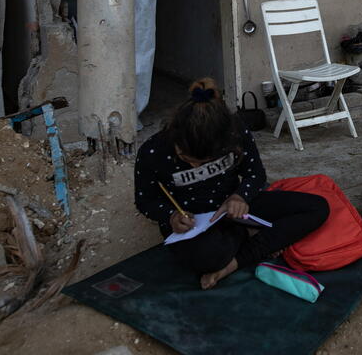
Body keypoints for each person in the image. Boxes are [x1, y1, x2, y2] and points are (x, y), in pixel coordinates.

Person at [134, 78, 329, 289]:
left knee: (317, 208)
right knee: (206, 258)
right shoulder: (153, 151)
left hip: (236, 211)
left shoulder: (235, 132)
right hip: (192, 224)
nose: (191, 164)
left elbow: (255, 174)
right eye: (185, 157)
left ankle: (234, 263)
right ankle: (248, 235)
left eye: (201, 162)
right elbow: (145, 200)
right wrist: (170, 216)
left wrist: (241, 196)